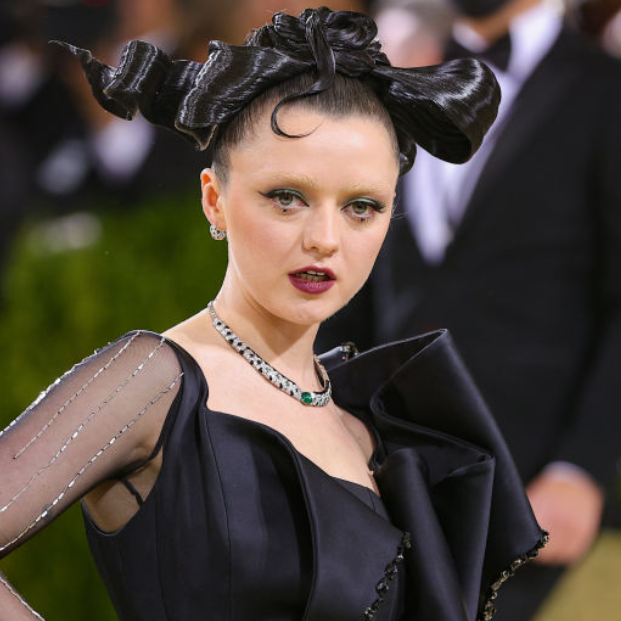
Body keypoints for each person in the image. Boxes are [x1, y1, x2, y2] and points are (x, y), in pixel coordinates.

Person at [0, 7, 547, 621]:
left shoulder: (376, 429)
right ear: (214, 200)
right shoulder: (151, 385)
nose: (324, 239)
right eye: (287, 198)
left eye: (362, 207)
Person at [318, 0, 621, 619]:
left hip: (529, 488)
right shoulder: (393, 81)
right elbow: (358, 277)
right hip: (381, 473)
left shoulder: (605, 92)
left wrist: (581, 467)